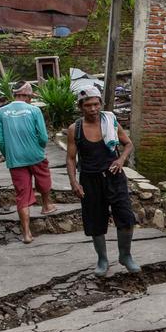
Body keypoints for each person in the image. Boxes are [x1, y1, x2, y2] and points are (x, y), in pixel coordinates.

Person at [65, 86, 139, 276]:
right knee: (95, 221)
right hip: (90, 180)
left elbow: (128, 144)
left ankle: (125, 256)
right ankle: (102, 259)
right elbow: (71, 158)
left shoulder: (110, 122)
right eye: (88, 105)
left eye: (96, 104)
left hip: (114, 178)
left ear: (101, 104)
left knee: (125, 217)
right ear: (81, 107)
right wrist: (74, 182)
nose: (93, 109)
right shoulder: (76, 129)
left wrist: (121, 160)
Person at [0, 82, 56, 243]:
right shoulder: (34, 110)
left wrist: (8, 155)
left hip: (15, 159)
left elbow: (0, 140)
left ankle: (27, 234)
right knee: (43, 178)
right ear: (28, 96)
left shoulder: (1, 112)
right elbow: (43, 137)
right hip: (35, 155)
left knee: (22, 194)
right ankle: (46, 205)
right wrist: (39, 148)